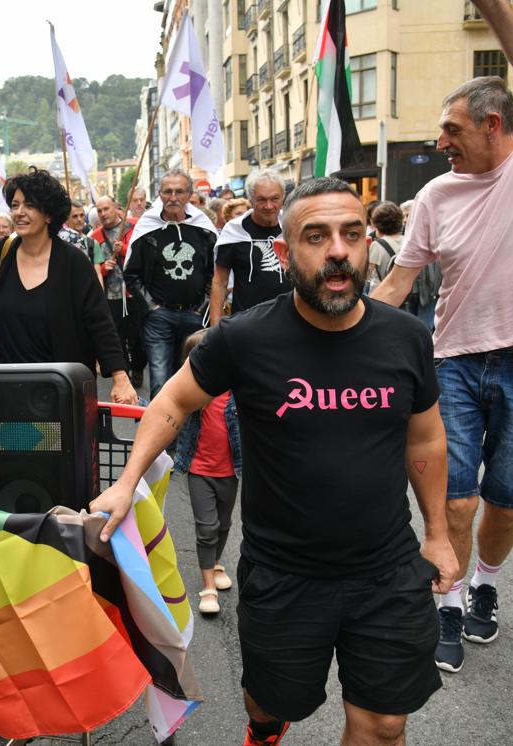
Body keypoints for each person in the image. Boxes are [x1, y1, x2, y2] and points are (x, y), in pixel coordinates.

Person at [93, 177, 457, 746]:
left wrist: (438, 533)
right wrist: (127, 482)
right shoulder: (245, 338)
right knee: (269, 702)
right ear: (285, 254)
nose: (337, 249)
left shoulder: (406, 337)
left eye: (351, 234)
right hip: (284, 575)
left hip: (386, 571)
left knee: (386, 725)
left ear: (366, 245)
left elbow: (426, 440)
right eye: (317, 236)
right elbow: (172, 403)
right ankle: (264, 728)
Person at [371, 0, 513, 675]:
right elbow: (398, 285)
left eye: (451, 130)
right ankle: (450, 599)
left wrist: (493, 7)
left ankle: (485, 579)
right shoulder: (433, 197)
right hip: (451, 365)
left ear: (493, 124)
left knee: (506, 502)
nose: (441, 143)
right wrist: (326, 337)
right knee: (454, 497)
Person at [0, 169, 137, 405]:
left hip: (61, 389)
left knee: (59, 443)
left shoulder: (73, 262)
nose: (19, 212)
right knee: (13, 442)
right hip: (9, 385)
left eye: (29, 205)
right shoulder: (4, 252)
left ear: (48, 214)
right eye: (15, 205)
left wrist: (120, 377)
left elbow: (99, 321)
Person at [124, 169, 217, 399]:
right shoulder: (147, 228)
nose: (173, 197)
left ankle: (188, 434)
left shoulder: (203, 229)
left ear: (189, 194)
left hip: (195, 315)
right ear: (160, 194)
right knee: (160, 382)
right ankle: (161, 434)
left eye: (179, 191)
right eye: (167, 191)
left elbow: (215, 273)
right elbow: (131, 273)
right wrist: (151, 307)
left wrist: (202, 307)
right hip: (159, 318)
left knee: (192, 381)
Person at [172, 328, 241, 616]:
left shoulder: (237, 395)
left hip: (230, 473)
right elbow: (167, 410)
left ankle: (214, 563)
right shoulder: (192, 397)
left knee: (224, 525)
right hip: (199, 471)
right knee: (207, 527)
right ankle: (208, 586)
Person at [210, 170, 288, 326]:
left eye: (275, 199)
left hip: (289, 319)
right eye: (261, 200)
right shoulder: (234, 231)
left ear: (283, 197)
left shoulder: (293, 226)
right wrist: (214, 330)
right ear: (251, 200)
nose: (269, 206)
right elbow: (220, 282)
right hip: (246, 322)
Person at [91, 196, 146, 388]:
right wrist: (104, 268)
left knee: (139, 337)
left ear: (117, 208)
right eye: (100, 211)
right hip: (111, 295)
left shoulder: (135, 227)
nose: (103, 214)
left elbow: (144, 255)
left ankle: (138, 367)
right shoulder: (94, 236)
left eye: (106, 209)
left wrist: (124, 250)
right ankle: (126, 374)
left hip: (135, 292)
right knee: (118, 338)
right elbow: (93, 268)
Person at [366, 201, 404, 289]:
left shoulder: (377, 245)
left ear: (377, 224)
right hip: (404, 292)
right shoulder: (408, 241)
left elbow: (367, 274)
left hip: (382, 294)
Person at [60, 199, 101, 267]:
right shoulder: (59, 242)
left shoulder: (92, 243)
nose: (79, 219)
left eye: (82, 215)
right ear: (66, 219)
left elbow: (98, 273)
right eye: (75, 216)